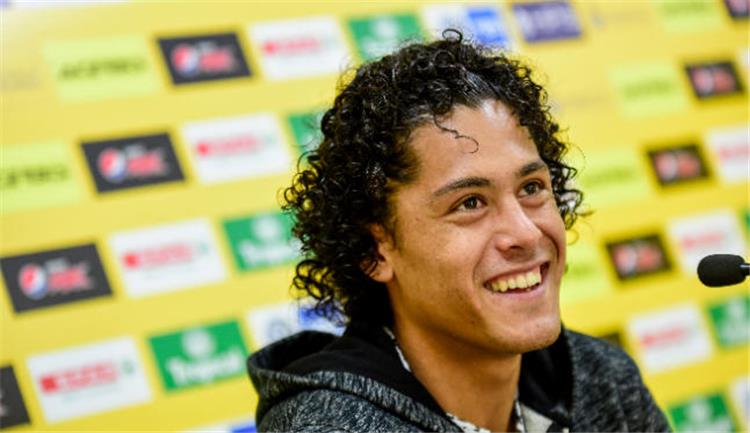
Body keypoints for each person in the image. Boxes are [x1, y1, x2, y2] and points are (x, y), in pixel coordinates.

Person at [247, 31, 670, 432]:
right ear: (373, 250)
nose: (525, 233)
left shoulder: (604, 380)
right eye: (470, 203)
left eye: (531, 188)